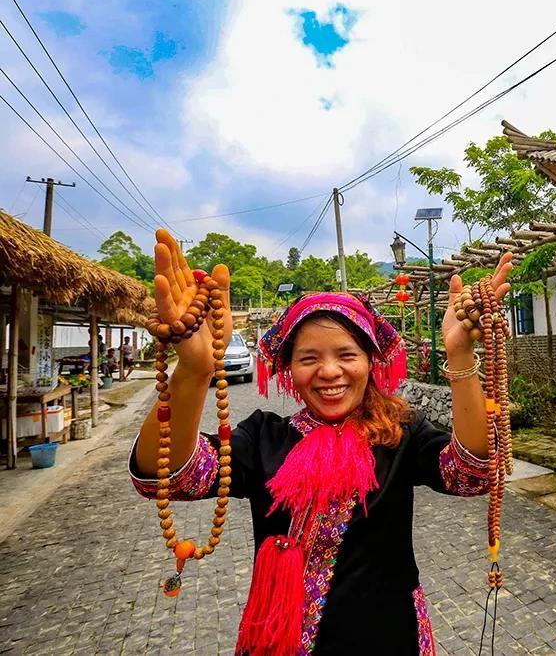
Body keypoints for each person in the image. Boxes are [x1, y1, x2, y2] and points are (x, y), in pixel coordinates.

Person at [129, 229, 513, 656]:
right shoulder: (262, 437)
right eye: (309, 358)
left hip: (390, 639)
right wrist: (194, 371)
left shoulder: (402, 433)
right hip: (279, 642)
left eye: (347, 355)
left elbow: (472, 473)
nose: (330, 372)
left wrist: (459, 357)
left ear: (371, 361)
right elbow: (164, 477)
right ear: (289, 369)